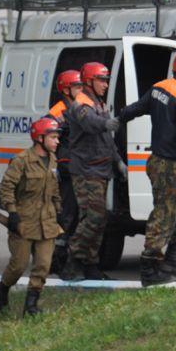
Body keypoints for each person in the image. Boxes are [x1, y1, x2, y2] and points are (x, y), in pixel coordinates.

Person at [118, 50, 176, 286]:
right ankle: (150, 268)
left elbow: (137, 107)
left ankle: (173, 256)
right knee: (164, 215)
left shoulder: (160, 87)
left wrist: (120, 118)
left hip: (166, 164)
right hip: (171, 166)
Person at [60, 62, 126, 281]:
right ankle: (73, 260)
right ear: (89, 81)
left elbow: (106, 138)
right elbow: (91, 124)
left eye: (106, 80)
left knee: (98, 219)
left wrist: (118, 161)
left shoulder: (99, 103)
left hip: (101, 168)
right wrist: (107, 123)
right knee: (93, 218)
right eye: (102, 80)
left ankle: (90, 265)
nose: (106, 85)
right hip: (86, 170)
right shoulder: (81, 104)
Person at [0, 117, 62, 317]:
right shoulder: (22, 160)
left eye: (57, 137)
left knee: (43, 266)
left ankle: (31, 306)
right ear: (40, 138)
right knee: (19, 265)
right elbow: (6, 187)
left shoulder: (53, 160)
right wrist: (12, 212)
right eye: (53, 137)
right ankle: (3, 287)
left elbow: (55, 189)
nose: (57, 141)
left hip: (47, 222)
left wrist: (59, 210)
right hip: (24, 222)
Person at [45, 70, 83, 274]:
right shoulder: (58, 111)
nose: (81, 90)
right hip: (65, 170)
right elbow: (46, 133)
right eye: (77, 86)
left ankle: (66, 259)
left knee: (76, 216)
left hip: (77, 168)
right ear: (66, 89)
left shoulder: (79, 106)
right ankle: (56, 261)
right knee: (67, 216)